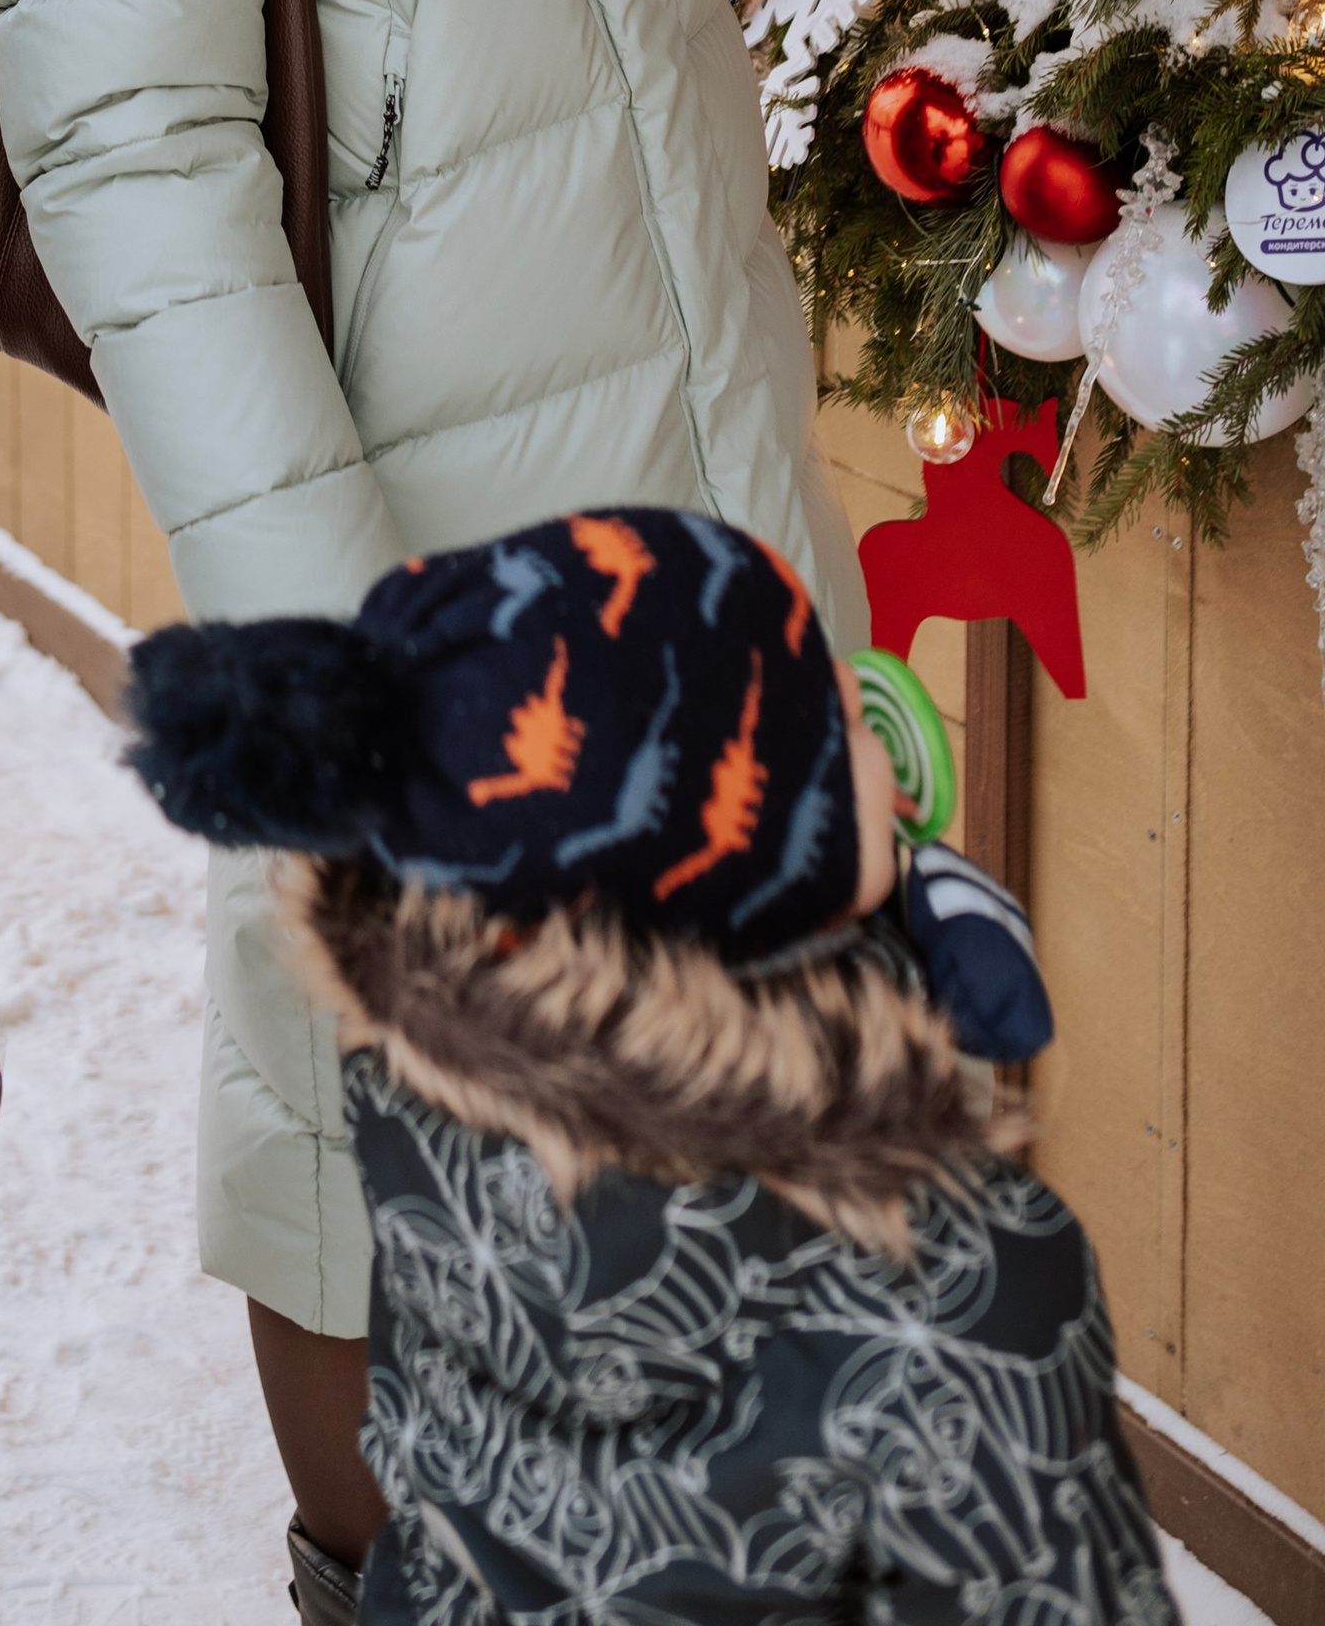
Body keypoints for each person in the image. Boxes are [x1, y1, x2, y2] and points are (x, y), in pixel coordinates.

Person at [0, 0, 1325, 1621]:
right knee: (390, 1160)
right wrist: (349, 674)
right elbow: (143, 184)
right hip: (435, 598)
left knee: (708, 1180)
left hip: (710, 563)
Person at [119, 508, 1173, 1626]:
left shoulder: (427, 1120)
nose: (874, 739)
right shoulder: (972, 1279)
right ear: (745, 859)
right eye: (825, 725)